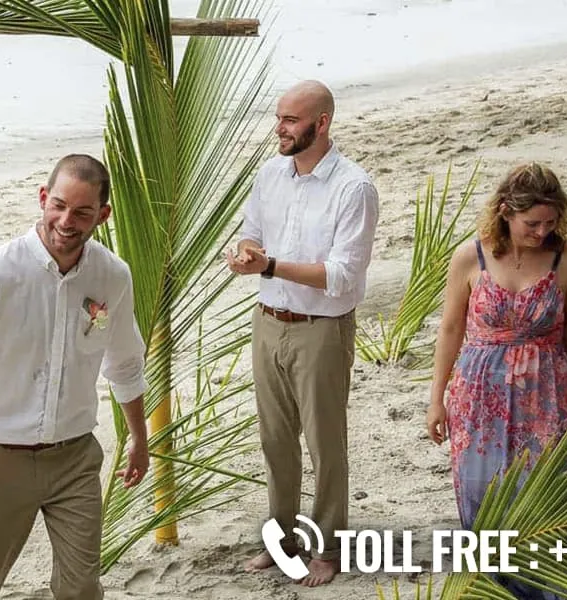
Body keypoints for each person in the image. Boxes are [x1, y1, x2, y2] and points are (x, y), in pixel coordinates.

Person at [0, 153, 152, 600]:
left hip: (76, 458)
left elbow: (124, 362)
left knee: (81, 587)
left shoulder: (113, 277)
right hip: (0, 460)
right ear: (43, 198)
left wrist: (138, 437)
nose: (66, 220)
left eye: (82, 212)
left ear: (103, 215)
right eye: (58, 205)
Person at [228, 80, 378, 587]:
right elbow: (253, 229)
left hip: (322, 330)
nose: (280, 128)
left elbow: (341, 276)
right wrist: (248, 253)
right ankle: (282, 538)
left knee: (324, 442)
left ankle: (330, 545)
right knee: (274, 440)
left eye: (291, 120)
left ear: (322, 122)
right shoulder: (270, 175)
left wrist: (268, 266)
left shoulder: (354, 188)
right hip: (267, 323)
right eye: (279, 118)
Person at [425, 164, 567, 598]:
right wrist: (435, 400)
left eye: (550, 223)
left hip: (548, 393)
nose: (541, 232)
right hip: (479, 394)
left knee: (550, 493)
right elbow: (449, 330)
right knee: (485, 497)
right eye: (531, 223)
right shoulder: (469, 257)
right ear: (504, 212)